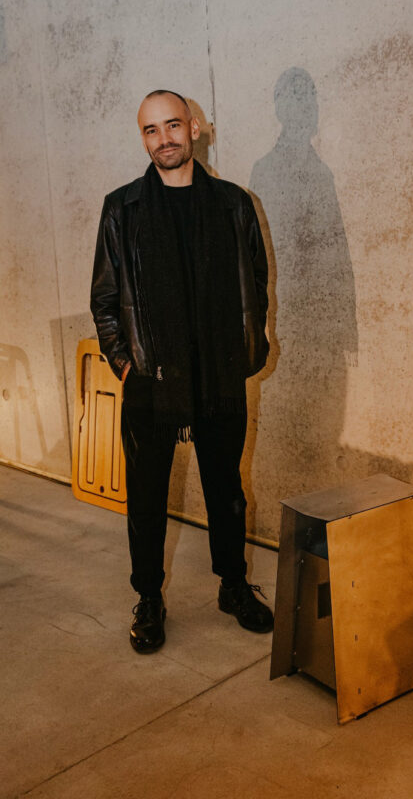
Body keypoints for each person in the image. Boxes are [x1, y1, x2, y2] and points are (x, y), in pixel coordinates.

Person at [91, 90, 272, 654]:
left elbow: (255, 284)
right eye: (151, 130)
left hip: (219, 374)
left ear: (195, 128)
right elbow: (105, 298)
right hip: (152, 378)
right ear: (143, 138)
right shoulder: (122, 208)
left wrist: (246, 347)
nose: (163, 139)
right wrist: (126, 364)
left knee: (227, 490)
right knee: (146, 496)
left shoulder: (233, 204)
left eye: (172, 125)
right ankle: (148, 597)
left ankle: (233, 586)